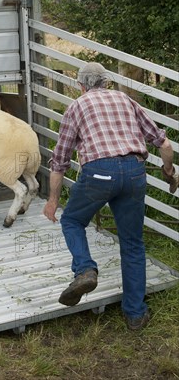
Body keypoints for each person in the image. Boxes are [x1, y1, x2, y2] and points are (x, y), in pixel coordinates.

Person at [43, 62, 178, 330]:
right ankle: (136, 314)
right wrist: (169, 171)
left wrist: (53, 200)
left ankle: (85, 270)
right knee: (133, 243)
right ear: (107, 82)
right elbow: (164, 143)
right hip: (134, 173)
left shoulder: (77, 106)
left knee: (72, 221)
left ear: (81, 86)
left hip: (98, 174)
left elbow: (60, 161)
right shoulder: (125, 99)